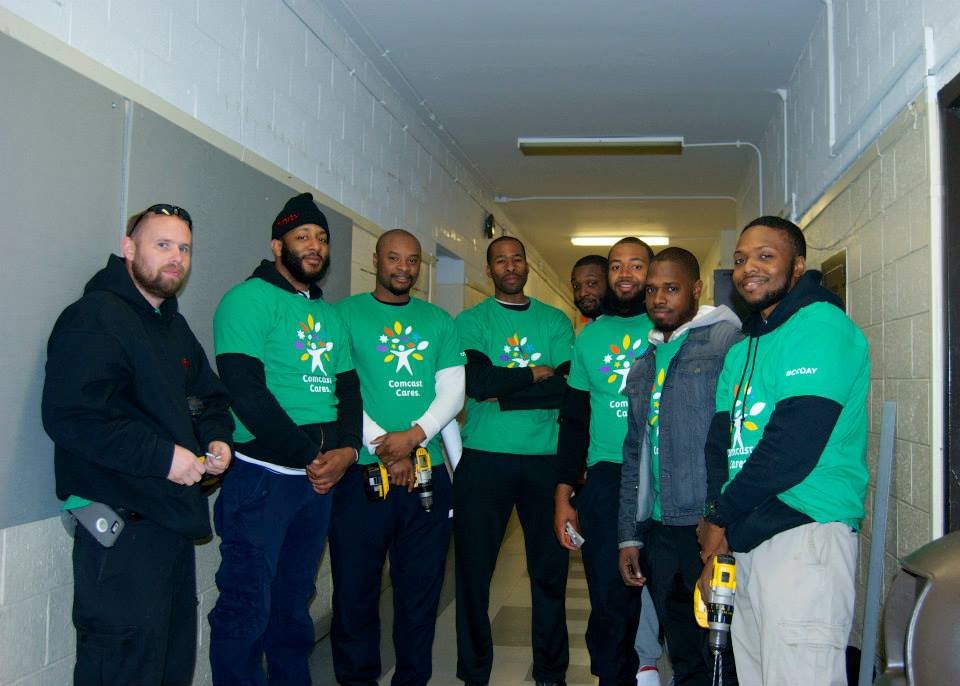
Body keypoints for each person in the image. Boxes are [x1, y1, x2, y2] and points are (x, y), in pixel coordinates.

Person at [42, 204, 234, 686]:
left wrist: (216, 438)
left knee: (170, 665)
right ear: (129, 249)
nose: (175, 258)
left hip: (169, 524)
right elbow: (73, 418)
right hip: (120, 531)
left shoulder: (171, 325)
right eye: (162, 245)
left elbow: (209, 396)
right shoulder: (93, 318)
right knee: (122, 669)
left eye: (184, 248)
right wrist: (165, 457)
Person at [697, 216, 869, 685]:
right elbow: (720, 441)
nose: (748, 267)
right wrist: (720, 514)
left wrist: (719, 518)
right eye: (740, 259)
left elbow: (791, 448)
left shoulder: (822, 327)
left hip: (803, 535)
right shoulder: (743, 348)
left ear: (798, 266)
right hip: (747, 535)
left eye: (764, 256)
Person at [208, 193, 362, 685]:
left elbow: (348, 391)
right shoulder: (247, 299)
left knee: (295, 604)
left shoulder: (329, 315)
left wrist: (348, 451)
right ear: (278, 245)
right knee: (246, 604)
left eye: (321, 238)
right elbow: (245, 391)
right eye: (303, 237)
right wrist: (311, 455)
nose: (315, 246)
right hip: (262, 478)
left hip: (315, 483)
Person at [330, 229, 465, 686]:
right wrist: (387, 446)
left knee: (420, 595)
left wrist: (414, 437)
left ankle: (412, 678)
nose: (403, 268)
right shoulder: (344, 315)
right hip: (362, 474)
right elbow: (341, 391)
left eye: (412, 261)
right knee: (355, 594)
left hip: (425, 478)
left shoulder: (439, 321)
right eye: (393, 258)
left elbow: (452, 392)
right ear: (376, 260)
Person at [618, 248, 742, 686]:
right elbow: (635, 453)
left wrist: (721, 523)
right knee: (684, 653)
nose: (658, 299)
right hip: (660, 530)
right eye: (652, 290)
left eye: (671, 288)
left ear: (696, 289)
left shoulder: (727, 341)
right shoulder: (645, 360)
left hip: (707, 527)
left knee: (722, 655)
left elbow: (737, 439)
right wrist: (630, 534)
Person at [454, 235, 573, 686]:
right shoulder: (472, 320)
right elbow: (479, 383)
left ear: (526, 266)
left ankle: (550, 672)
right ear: (490, 270)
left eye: (517, 258)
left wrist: (509, 389)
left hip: (545, 461)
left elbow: (565, 387)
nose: (509, 266)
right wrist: (531, 374)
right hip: (484, 460)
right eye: (500, 260)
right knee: (473, 573)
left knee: (549, 572)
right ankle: (474, 673)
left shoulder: (556, 321)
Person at [554, 237, 654, 686]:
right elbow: (574, 422)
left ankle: (655, 666)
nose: (626, 273)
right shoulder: (589, 338)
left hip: (665, 474)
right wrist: (564, 494)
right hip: (608, 476)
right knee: (609, 596)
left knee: (666, 590)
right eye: (617, 266)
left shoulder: (670, 325)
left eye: (636, 264)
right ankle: (614, 678)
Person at [571, 254, 608, 321]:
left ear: (610, 283)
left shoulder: (625, 327)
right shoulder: (590, 328)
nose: (582, 293)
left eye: (591, 283)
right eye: (576, 286)